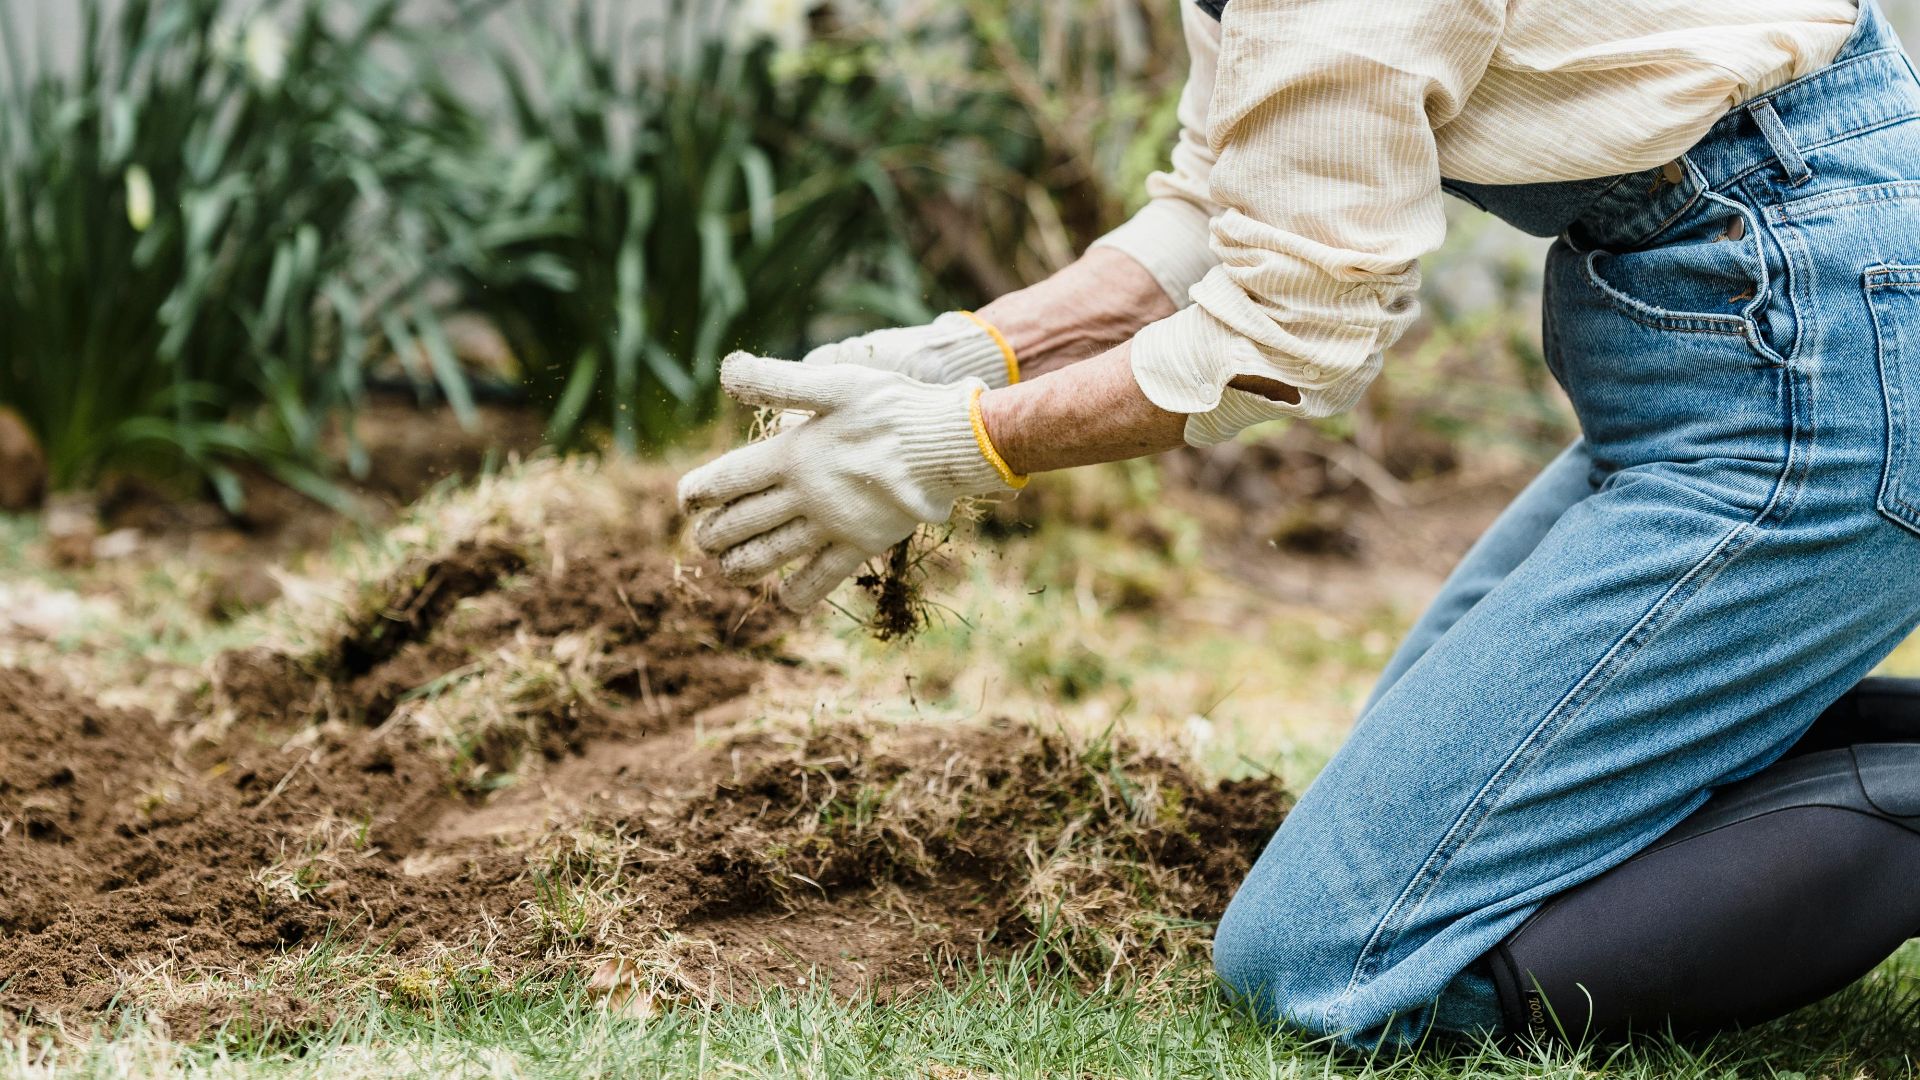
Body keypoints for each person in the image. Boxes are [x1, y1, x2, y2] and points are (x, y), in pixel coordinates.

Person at [679, 0, 1920, 1049]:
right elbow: (1222, 201)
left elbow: (1291, 331)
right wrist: (972, 356)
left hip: (1814, 379)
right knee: (1451, 824)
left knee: (1340, 951)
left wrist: (961, 447)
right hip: (1735, 346)